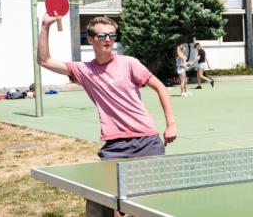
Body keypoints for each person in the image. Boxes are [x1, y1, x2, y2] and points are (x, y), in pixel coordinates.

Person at [37, 14, 177, 217]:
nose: (108, 40)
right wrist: (45, 26)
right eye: (102, 35)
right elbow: (44, 60)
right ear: (90, 39)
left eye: (112, 35)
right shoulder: (84, 70)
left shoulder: (129, 63)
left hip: (147, 141)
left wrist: (170, 124)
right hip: (115, 147)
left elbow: (160, 87)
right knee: (108, 206)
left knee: (150, 205)